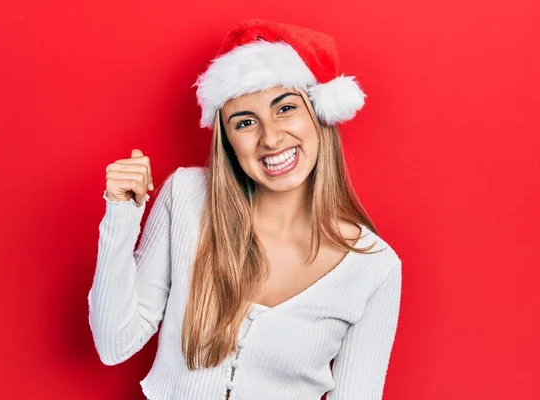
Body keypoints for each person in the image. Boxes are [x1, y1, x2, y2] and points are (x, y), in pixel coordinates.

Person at [88, 18, 402, 400]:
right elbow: (114, 343)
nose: (270, 137)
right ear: (228, 141)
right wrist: (121, 214)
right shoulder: (186, 198)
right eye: (246, 122)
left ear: (319, 115)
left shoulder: (374, 266)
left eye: (285, 108)